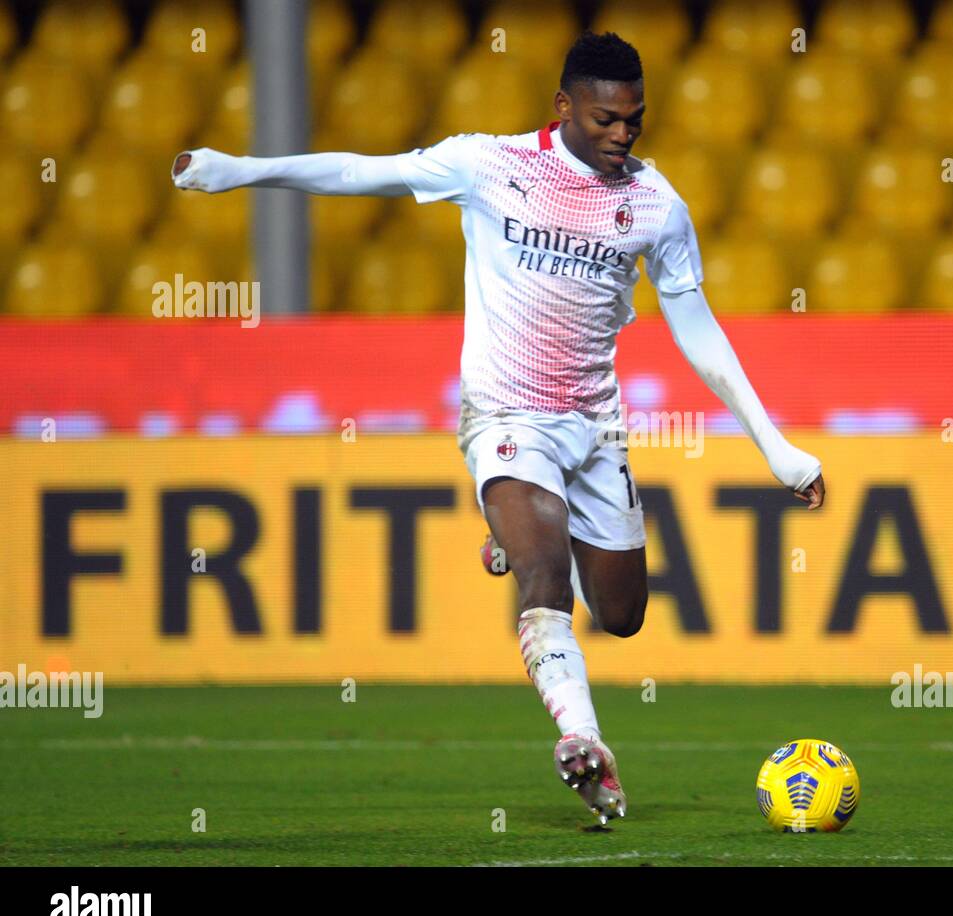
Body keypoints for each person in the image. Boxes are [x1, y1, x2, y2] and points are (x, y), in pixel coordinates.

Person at [172, 30, 825, 825]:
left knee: (621, 614)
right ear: (563, 107)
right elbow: (359, 173)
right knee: (545, 577)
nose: (623, 134)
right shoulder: (490, 165)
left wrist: (776, 446)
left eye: (635, 120)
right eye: (606, 119)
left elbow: (699, 332)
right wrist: (241, 172)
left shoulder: (656, 204)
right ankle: (583, 741)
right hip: (507, 415)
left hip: (595, 426)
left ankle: (508, 531)